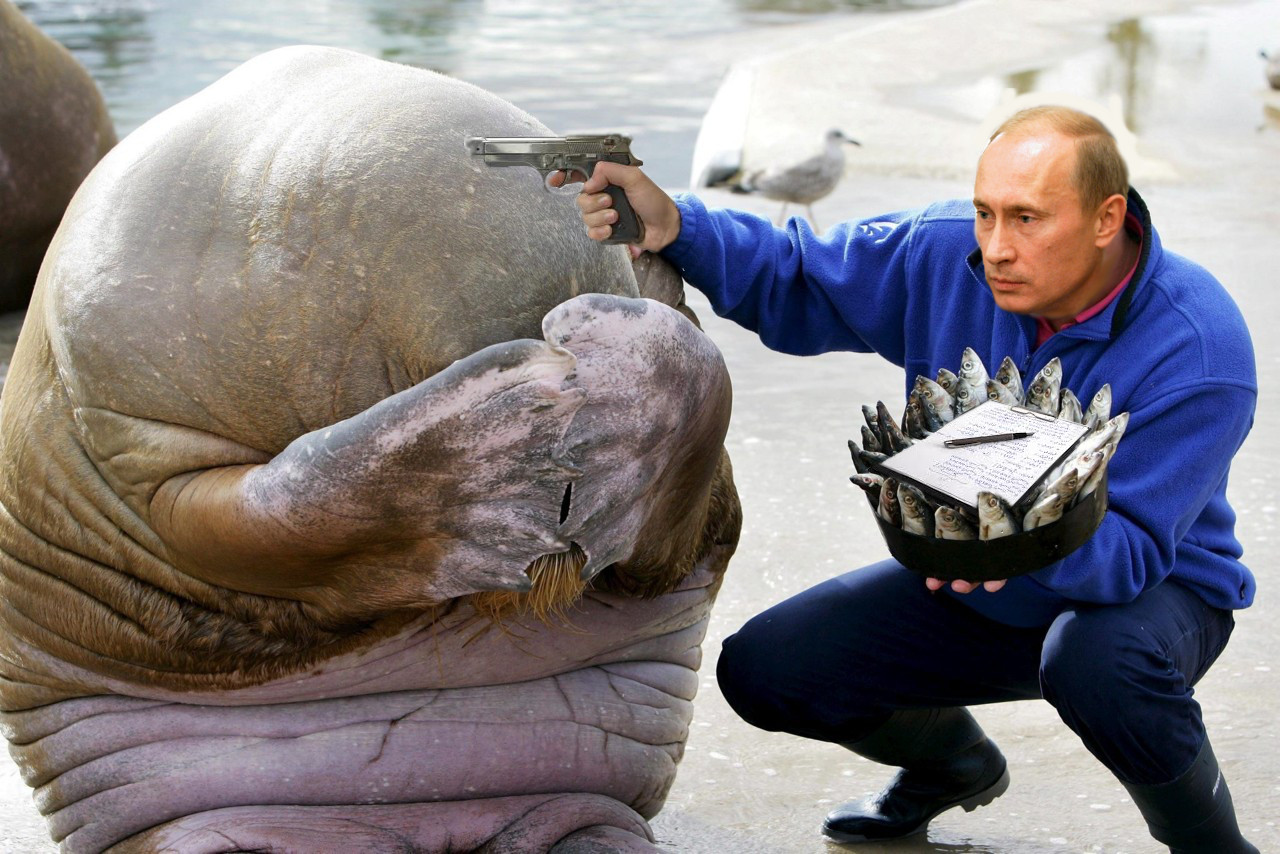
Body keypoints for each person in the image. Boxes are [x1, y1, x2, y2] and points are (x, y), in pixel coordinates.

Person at [573, 105, 1259, 853]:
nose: (996, 248)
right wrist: (678, 226)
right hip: (969, 572)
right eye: (986, 214)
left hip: (1152, 597)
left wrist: (1009, 537)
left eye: (1028, 219)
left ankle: (1215, 846)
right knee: (768, 669)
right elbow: (802, 275)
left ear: (1107, 219)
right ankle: (952, 765)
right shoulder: (942, 252)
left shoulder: (1200, 345)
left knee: (1097, 665)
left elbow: (1130, 553)